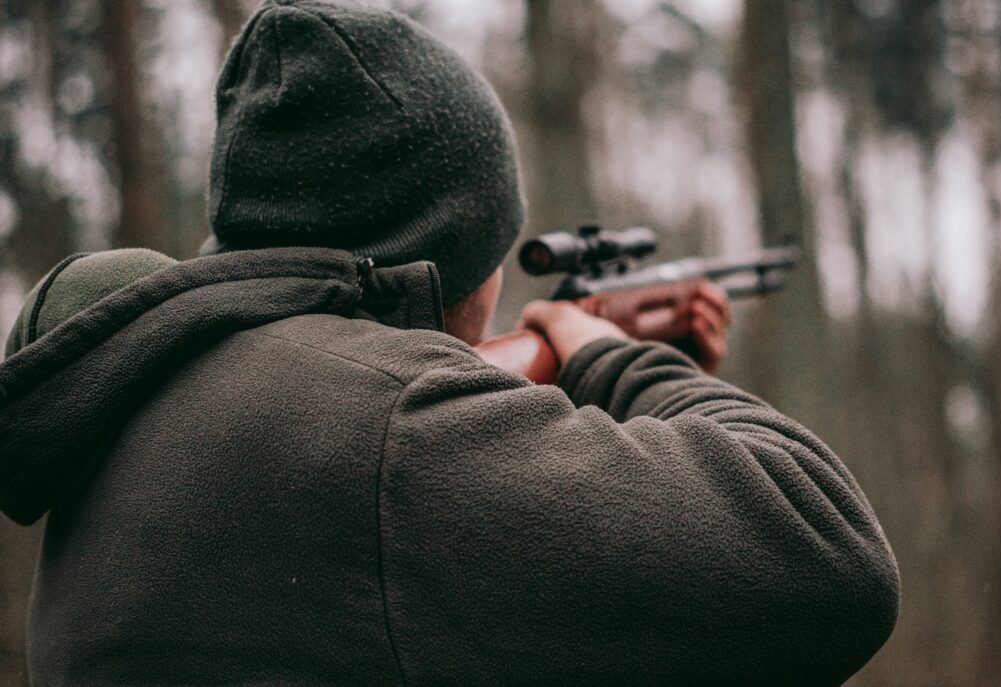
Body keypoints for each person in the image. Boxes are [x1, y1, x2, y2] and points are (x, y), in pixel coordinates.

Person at [0, 1, 898, 685]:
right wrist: (607, 357)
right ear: (452, 261)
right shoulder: (384, 424)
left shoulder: (129, 407)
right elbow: (830, 560)